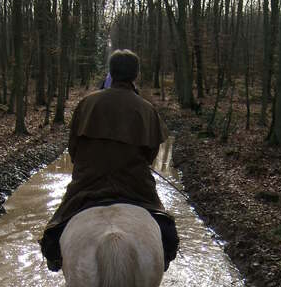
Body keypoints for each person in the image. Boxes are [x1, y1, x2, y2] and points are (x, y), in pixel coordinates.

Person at [40, 49, 179, 272]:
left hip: (88, 184)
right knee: (169, 237)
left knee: (53, 232)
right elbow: (150, 157)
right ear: (136, 75)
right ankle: (163, 260)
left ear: (111, 73)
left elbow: (74, 151)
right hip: (136, 187)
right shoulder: (147, 109)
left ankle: (54, 259)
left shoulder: (86, 104)